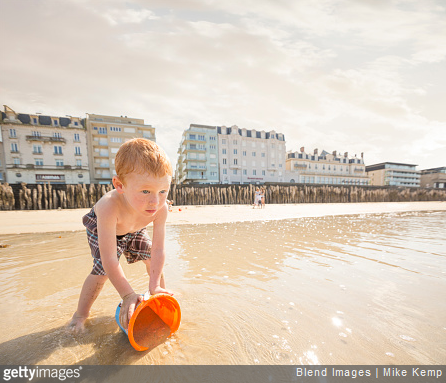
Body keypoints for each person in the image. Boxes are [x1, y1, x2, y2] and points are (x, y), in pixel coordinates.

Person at [69, 138, 173, 333]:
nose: (155, 201)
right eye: (145, 191)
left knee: (152, 258)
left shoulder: (160, 208)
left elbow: (159, 249)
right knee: (101, 272)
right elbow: (109, 259)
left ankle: (160, 299)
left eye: (163, 191)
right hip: (104, 229)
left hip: (135, 228)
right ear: (120, 185)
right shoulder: (109, 206)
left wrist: (154, 286)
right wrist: (127, 295)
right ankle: (80, 315)